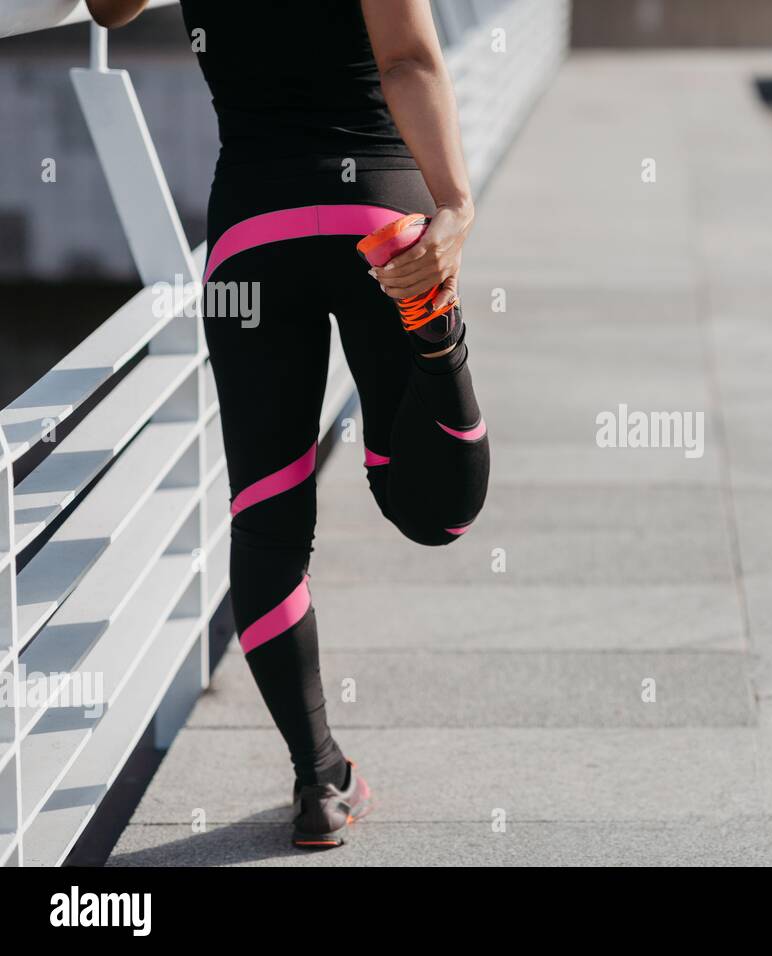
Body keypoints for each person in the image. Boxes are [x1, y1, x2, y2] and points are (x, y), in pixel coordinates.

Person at [87, 0, 489, 848]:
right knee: (435, 511)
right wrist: (455, 203)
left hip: (254, 234)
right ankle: (438, 342)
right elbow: (409, 60)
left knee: (266, 516)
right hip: (377, 214)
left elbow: (108, 8)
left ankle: (320, 781)